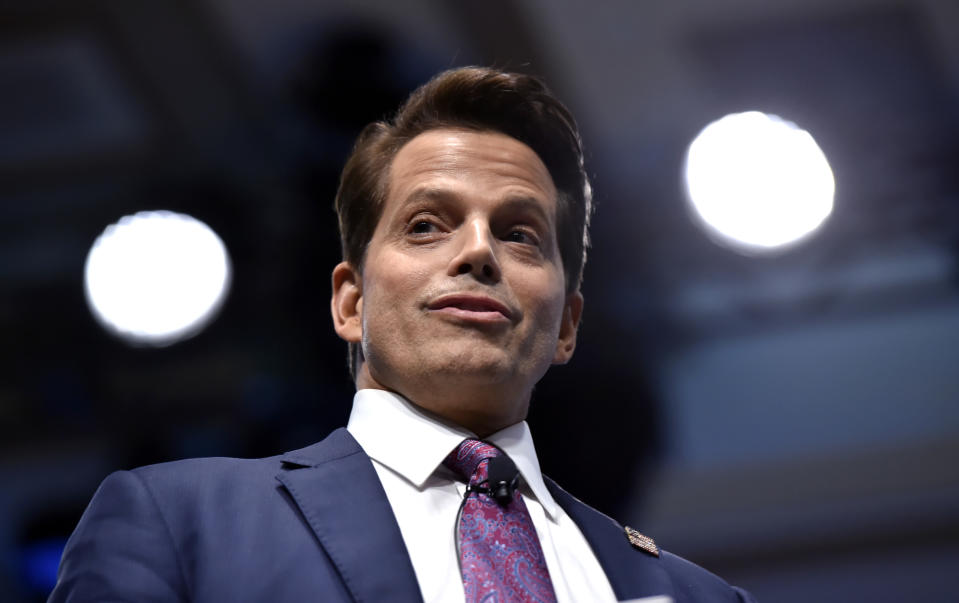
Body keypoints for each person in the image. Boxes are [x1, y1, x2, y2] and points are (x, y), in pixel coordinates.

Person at [50, 67, 756, 602]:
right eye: (426, 224)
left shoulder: (694, 594)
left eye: (519, 233)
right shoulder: (179, 521)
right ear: (349, 302)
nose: (478, 252)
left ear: (566, 324)